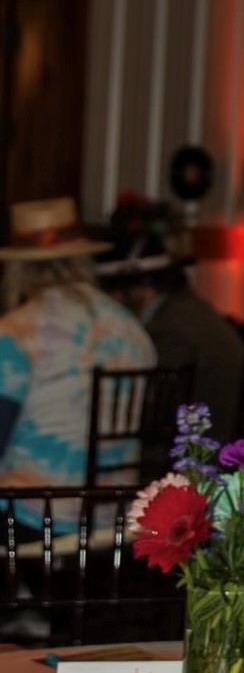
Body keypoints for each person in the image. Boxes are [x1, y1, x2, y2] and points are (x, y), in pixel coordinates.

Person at [0, 197, 156, 486]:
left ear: (16, 268)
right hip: (116, 513)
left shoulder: (17, 331)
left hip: (31, 514)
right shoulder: (130, 328)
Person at [96, 197, 244, 439]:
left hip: (181, 461)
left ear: (140, 287)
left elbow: (144, 415)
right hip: (211, 448)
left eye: (112, 292)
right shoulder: (191, 310)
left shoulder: (168, 333)